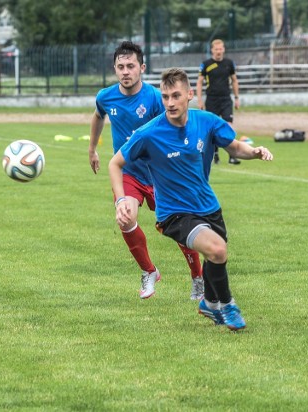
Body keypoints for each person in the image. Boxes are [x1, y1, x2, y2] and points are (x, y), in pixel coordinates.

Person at [109, 68, 273, 330]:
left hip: (208, 205)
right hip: (174, 214)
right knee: (217, 250)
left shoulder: (207, 121)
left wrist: (254, 152)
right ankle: (227, 305)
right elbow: (115, 163)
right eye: (165, 97)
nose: (170, 103)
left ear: (190, 95)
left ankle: (208, 302)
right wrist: (121, 201)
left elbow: (234, 147)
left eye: (176, 96)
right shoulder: (149, 133)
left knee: (215, 256)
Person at [89, 41, 204, 300]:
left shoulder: (154, 97)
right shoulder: (105, 97)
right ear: (114, 69)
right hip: (129, 172)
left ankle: (197, 276)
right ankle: (149, 271)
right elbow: (98, 116)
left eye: (131, 66)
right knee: (125, 217)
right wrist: (92, 149)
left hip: (160, 173)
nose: (125, 71)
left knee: (178, 227)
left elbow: (173, 124)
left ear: (142, 68)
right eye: (121, 67)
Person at [196, 38, 241, 166]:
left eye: (221, 49)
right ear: (212, 50)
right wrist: (199, 100)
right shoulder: (206, 64)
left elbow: (234, 80)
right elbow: (199, 82)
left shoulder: (229, 63)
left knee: (229, 126)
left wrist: (237, 98)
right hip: (212, 99)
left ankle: (232, 156)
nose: (219, 51)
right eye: (216, 49)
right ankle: (214, 153)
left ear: (224, 49)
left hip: (226, 99)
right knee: (213, 128)